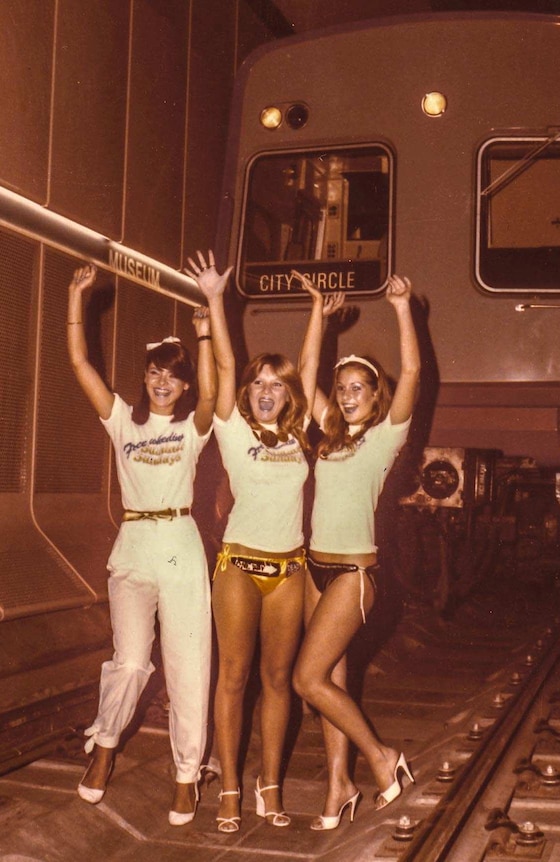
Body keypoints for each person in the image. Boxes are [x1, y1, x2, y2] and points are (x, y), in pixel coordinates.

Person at [186, 251, 342, 833]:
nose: (267, 391)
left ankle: (268, 786)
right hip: (239, 566)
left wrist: (318, 313)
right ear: (247, 392)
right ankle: (228, 788)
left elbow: (308, 364)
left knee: (279, 683)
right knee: (234, 677)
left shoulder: (300, 431)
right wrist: (214, 297)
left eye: (277, 385)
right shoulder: (230, 427)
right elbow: (225, 362)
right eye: (259, 384)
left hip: (290, 571)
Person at [68, 263, 216, 826]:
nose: (161, 382)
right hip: (133, 544)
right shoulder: (123, 421)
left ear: (183, 386)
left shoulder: (191, 429)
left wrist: (203, 331)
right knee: (130, 662)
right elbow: (81, 364)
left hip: (179, 543)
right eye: (155, 371)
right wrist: (75, 298)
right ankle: (104, 749)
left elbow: (215, 391)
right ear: (147, 375)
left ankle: (185, 777)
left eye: (172, 377)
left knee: (188, 667)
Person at [292, 274, 421, 829]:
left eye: (356, 389)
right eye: (341, 388)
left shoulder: (385, 437)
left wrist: (400, 308)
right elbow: (303, 375)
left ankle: (381, 757)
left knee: (307, 681)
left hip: (352, 574)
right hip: (314, 568)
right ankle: (338, 787)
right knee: (331, 684)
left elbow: (413, 371)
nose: (345, 396)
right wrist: (318, 315)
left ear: (376, 396)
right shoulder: (330, 434)